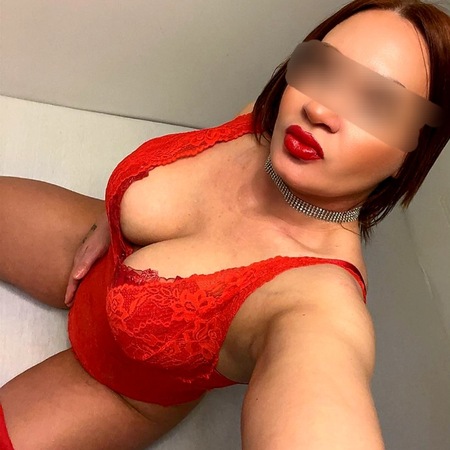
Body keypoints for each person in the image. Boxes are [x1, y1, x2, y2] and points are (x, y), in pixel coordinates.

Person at [0, 0, 449, 448]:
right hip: (87, 250)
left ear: (414, 151)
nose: (319, 108)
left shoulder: (318, 303)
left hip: (116, 387)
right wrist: (116, 212)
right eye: (324, 68)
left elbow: (321, 393)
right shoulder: (269, 123)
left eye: (376, 103)